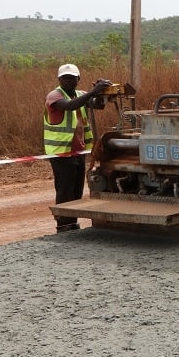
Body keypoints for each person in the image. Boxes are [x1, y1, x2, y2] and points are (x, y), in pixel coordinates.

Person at [44, 64, 111, 233]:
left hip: (78, 151)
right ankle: (63, 225)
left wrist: (102, 93)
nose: (68, 80)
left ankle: (72, 223)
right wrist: (93, 92)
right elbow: (70, 106)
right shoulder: (54, 96)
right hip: (61, 152)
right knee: (65, 189)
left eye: (72, 77)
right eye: (65, 77)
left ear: (78, 79)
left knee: (77, 189)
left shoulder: (81, 94)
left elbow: (98, 105)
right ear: (59, 79)